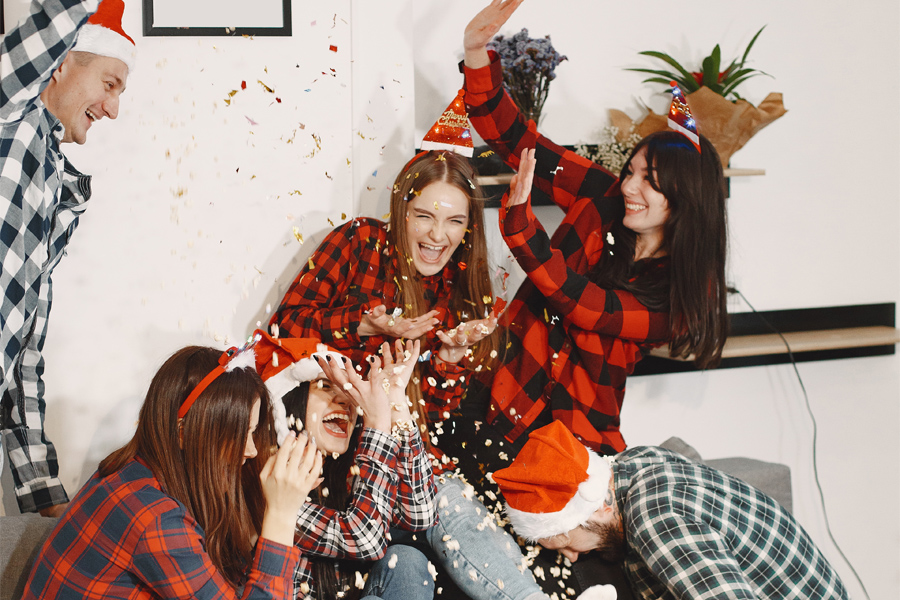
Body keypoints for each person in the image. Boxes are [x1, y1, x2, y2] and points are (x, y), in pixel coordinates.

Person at [441, 0, 729, 483]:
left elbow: (585, 306)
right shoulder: (603, 197)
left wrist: (521, 227)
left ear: (687, 200)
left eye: (651, 180)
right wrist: (476, 54)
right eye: (632, 171)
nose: (630, 186)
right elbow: (519, 142)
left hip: (575, 444)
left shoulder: (679, 297)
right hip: (494, 403)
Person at [22, 341, 322, 599]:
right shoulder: (154, 517)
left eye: (252, 432)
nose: (251, 450)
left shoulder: (129, 470)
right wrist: (280, 515)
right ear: (182, 432)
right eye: (237, 434)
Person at [271, 148, 500, 458]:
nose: (437, 235)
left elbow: (433, 414)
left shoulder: (460, 282)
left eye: (454, 221)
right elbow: (283, 327)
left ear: (469, 226)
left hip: (396, 455)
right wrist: (363, 325)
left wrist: (452, 354)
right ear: (402, 209)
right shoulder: (362, 240)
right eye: (424, 216)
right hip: (320, 449)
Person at [0, 0, 135, 516]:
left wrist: (45, 495)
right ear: (58, 63)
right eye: (109, 83)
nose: (114, 109)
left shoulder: (54, 182)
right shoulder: (11, 112)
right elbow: (60, 13)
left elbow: (24, 350)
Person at [492, 421, 850, 600]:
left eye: (567, 543)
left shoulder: (657, 518)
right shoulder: (634, 463)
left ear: (598, 508)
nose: (570, 557)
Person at [258, 334, 438, 599]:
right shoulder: (271, 483)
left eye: (348, 390)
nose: (345, 399)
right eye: (325, 386)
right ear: (288, 405)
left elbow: (421, 514)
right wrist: (377, 424)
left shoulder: (351, 470)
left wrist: (395, 402)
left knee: (406, 560)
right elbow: (365, 540)